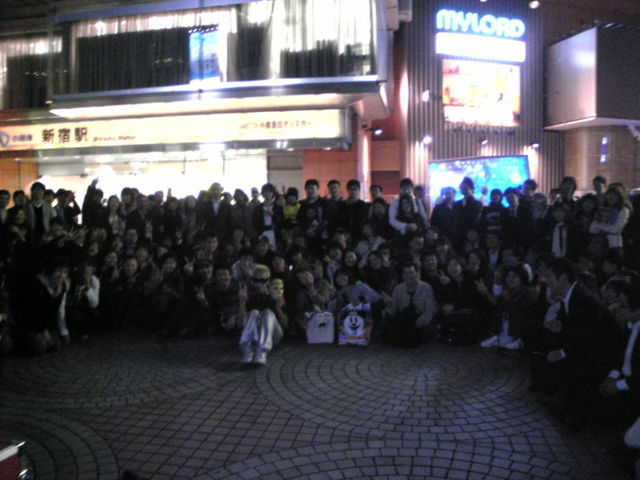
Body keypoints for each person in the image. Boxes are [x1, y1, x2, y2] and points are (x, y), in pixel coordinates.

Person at [238, 265, 287, 365]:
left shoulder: (276, 295)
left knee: (267, 313)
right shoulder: (249, 296)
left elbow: (285, 324)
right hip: (254, 336)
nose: (259, 284)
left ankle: (262, 351)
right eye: (256, 280)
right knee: (254, 312)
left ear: (269, 281)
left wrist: (278, 308)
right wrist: (242, 303)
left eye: (263, 281)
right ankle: (247, 349)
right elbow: (240, 323)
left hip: (273, 335)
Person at [382, 262, 435, 347]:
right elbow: (393, 310)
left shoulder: (426, 288)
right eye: (405, 273)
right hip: (405, 318)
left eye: (411, 272)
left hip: (420, 318)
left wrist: (422, 320)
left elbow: (429, 311)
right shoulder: (398, 289)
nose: (408, 276)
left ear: (416, 273)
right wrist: (388, 305)